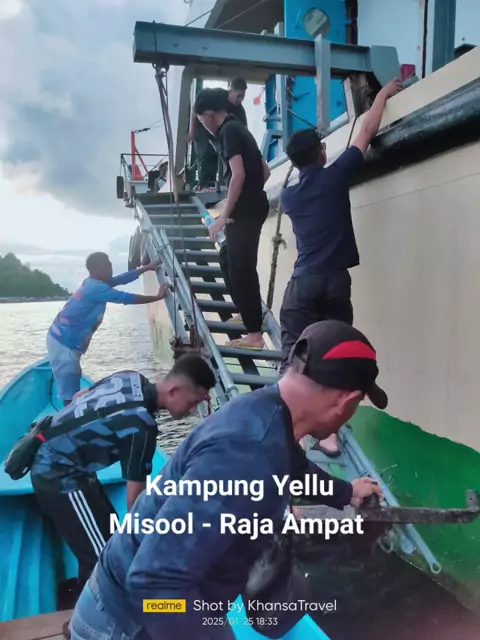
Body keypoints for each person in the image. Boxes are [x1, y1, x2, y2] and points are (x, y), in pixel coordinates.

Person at [69, 319, 387, 640]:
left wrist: (346, 493)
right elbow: (155, 585)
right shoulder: (246, 455)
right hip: (128, 620)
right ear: (347, 401)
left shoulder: (266, 411)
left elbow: (295, 466)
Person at [31, 355, 215, 637]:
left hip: (70, 464)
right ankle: (82, 627)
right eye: (192, 403)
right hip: (59, 474)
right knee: (104, 561)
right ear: (175, 390)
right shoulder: (142, 427)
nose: (191, 411)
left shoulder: (129, 377)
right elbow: (135, 504)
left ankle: (84, 603)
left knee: (107, 538)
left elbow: (80, 396)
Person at [279, 79, 403, 456]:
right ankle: (329, 435)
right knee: (334, 355)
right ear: (321, 154)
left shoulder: (287, 197)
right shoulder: (335, 177)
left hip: (303, 283)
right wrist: (383, 94)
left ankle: (292, 430)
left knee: (293, 355)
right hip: (335, 282)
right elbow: (365, 132)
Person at [194, 87, 271, 350]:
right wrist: (253, 193)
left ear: (208, 115)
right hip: (252, 205)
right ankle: (247, 312)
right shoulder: (240, 129)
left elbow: (238, 174)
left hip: (244, 210)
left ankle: (255, 335)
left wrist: (223, 216)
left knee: (241, 269)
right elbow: (264, 170)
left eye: (201, 119)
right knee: (227, 259)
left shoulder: (227, 132)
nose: (203, 125)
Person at [47, 252, 170, 405]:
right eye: (108, 265)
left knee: (74, 380)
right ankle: (68, 416)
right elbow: (126, 298)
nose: (111, 267)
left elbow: (121, 279)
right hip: (63, 343)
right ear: (98, 269)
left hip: (63, 340)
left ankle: (73, 412)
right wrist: (157, 297)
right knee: (71, 395)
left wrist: (147, 268)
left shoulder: (94, 283)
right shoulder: (95, 288)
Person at [188, 77, 248, 189]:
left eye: (242, 97)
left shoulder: (240, 111)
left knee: (226, 153)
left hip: (219, 133)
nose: (240, 100)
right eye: (238, 96)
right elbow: (195, 108)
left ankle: (225, 182)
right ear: (230, 91)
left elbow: (244, 132)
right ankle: (205, 185)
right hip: (202, 128)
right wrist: (192, 129)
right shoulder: (216, 95)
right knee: (206, 152)